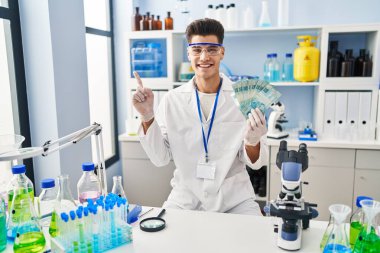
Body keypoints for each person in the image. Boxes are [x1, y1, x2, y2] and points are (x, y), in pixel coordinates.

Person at [132, 18, 268, 215]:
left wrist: (252, 142)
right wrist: (147, 116)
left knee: (254, 242)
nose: (204, 57)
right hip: (185, 198)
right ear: (189, 53)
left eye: (212, 49)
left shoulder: (244, 98)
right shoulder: (173, 100)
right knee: (165, 241)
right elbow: (160, 159)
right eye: (197, 50)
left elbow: (256, 162)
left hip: (235, 200)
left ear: (222, 52)